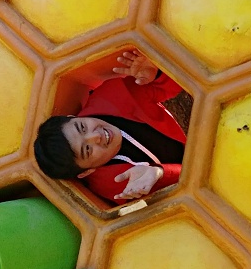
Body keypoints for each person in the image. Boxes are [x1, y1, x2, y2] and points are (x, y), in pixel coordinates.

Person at [34, 48, 187, 203]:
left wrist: (157, 74)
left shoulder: (112, 95)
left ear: (72, 117)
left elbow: (174, 86)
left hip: (190, 136)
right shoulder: (115, 185)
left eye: (82, 127)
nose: (96, 136)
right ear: (86, 172)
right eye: (87, 149)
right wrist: (160, 174)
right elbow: (185, 188)